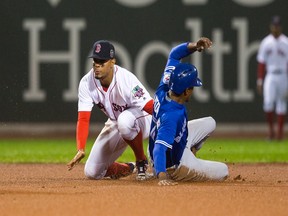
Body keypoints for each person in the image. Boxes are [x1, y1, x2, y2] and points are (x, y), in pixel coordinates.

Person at [67, 40, 153, 180]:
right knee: (92, 172)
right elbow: (83, 118)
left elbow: (150, 106)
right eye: (95, 61)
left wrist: (169, 123)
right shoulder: (86, 83)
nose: (97, 66)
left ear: (112, 62)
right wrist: (81, 148)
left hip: (142, 118)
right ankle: (128, 168)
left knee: (124, 121)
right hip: (116, 122)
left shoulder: (126, 79)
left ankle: (141, 161)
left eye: (102, 62)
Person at [148, 38, 229, 186]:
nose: (193, 90)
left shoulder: (164, 86)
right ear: (186, 91)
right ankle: (182, 166)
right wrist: (162, 176)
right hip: (172, 163)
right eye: (192, 87)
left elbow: (174, 55)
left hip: (173, 140)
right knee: (224, 171)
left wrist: (195, 46)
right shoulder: (172, 115)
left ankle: (191, 149)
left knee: (210, 122)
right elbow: (160, 148)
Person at [256, 15, 288, 141]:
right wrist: (260, 79)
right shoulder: (266, 42)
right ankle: (271, 132)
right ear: (271, 27)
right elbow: (261, 63)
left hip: (283, 75)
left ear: (280, 27)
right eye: (274, 26)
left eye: (277, 26)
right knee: (268, 103)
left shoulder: (285, 42)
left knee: (281, 104)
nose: (275, 28)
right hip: (270, 75)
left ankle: (279, 134)